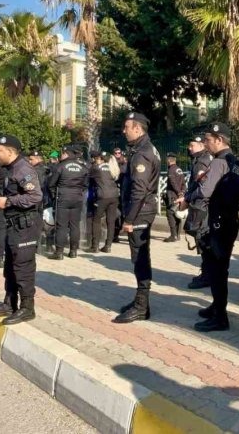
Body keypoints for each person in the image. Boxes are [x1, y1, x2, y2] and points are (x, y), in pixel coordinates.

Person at [188, 123, 239, 332]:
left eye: (208, 140)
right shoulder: (232, 160)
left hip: (219, 223)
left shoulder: (220, 162)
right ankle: (216, 306)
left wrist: (188, 198)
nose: (205, 143)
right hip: (228, 220)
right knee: (219, 268)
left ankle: (220, 317)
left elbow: (204, 191)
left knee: (217, 270)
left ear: (219, 140)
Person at [0, 135, 43, 325]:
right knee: (10, 266)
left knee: (23, 267)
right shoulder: (8, 168)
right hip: (13, 223)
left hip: (26, 225)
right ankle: (10, 303)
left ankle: (27, 308)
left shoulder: (23, 168)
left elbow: (35, 196)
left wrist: (9, 201)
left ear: (9, 152)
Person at [114, 112, 161, 324]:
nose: (124, 131)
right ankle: (142, 303)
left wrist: (129, 220)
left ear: (138, 129)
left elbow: (139, 191)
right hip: (142, 210)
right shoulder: (144, 149)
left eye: (127, 127)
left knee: (140, 258)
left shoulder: (142, 153)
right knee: (140, 256)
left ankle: (141, 307)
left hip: (140, 212)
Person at [47, 146, 89, 259]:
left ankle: (59, 252)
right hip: (77, 198)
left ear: (66, 154)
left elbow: (51, 184)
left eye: (62, 153)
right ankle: (73, 251)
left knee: (61, 225)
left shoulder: (60, 166)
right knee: (75, 225)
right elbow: (85, 185)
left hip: (63, 197)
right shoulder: (83, 167)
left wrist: (53, 195)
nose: (61, 155)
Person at [183, 135, 214, 290]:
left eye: (192, 145)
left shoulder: (201, 162)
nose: (189, 148)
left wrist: (187, 199)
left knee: (203, 240)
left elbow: (200, 187)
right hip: (203, 206)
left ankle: (207, 276)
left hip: (201, 206)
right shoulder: (206, 158)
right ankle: (206, 273)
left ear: (201, 145)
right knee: (204, 240)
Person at [87, 151, 120, 253]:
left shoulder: (96, 168)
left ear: (100, 159)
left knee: (96, 220)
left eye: (96, 158)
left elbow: (88, 176)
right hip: (114, 196)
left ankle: (95, 246)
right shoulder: (112, 168)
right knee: (110, 221)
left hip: (102, 197)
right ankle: (108, 245)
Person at [163, 153, 186, 243]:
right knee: (177, 214)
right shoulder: (179, 169)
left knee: (170, 214)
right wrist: (182, 193)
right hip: (179, 196)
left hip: (172, 195)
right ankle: (178, 235)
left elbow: (173, 182)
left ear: (169, 160)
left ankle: (173, 236)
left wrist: (178, 192)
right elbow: (183, 183)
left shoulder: (171, 170)